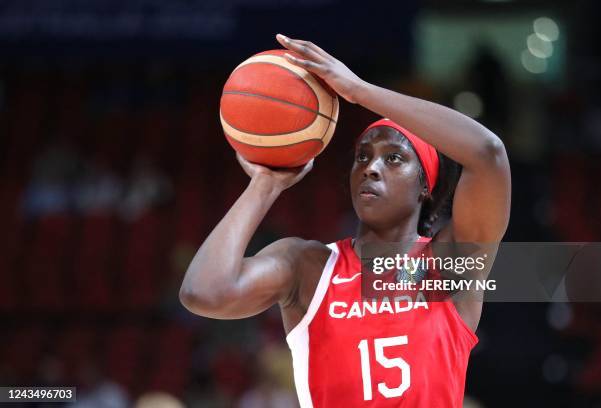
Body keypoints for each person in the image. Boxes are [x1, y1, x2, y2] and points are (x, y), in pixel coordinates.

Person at [179, 34, 511, 407]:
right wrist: (265, 185)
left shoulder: (450, 265)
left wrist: (359, 91)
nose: (371, 168)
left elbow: (488, 153)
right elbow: (204, 293)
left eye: (394, 158)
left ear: (425, 187)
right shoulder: (307, 267)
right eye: (362, 157)